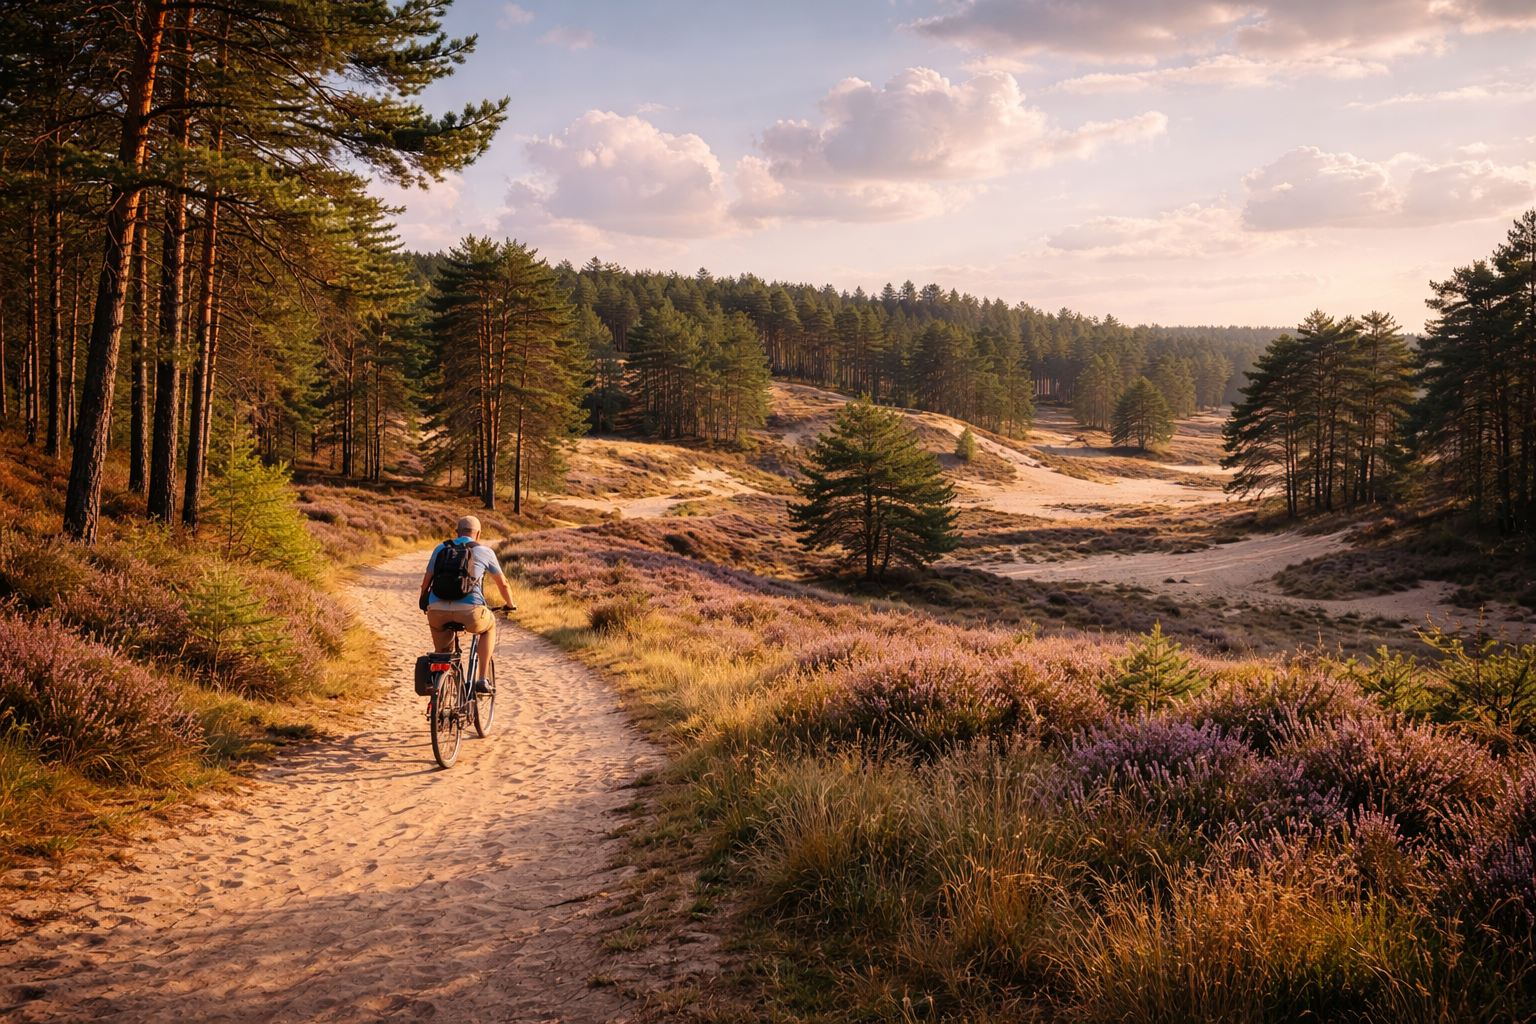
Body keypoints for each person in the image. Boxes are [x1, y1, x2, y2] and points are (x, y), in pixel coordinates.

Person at [419, 516, 514, 695]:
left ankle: (441, 687)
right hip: (471, 612)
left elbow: (426, 581)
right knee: (489, 626)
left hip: (437, 610)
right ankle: (482, 679)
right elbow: (503, 584)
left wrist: (424, 602)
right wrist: (510, 604)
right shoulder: (485, 551)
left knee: (443, 654)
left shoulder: (440, 548)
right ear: (478, 534)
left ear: (457, 532)